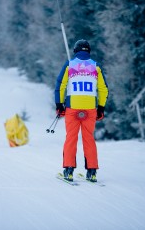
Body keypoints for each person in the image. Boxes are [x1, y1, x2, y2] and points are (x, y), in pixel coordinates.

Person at [55, 39, 108, 182]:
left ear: (75, 50)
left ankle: (69, 171)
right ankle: (92, 172)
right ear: (88, 51)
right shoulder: (96, 66)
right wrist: (101, 107)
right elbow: (103, 88)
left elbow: (61, 84)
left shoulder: (70, 65)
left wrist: (59, 104)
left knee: (71, 137)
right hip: (90, 108)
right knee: (88, 138)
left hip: (73, 107)